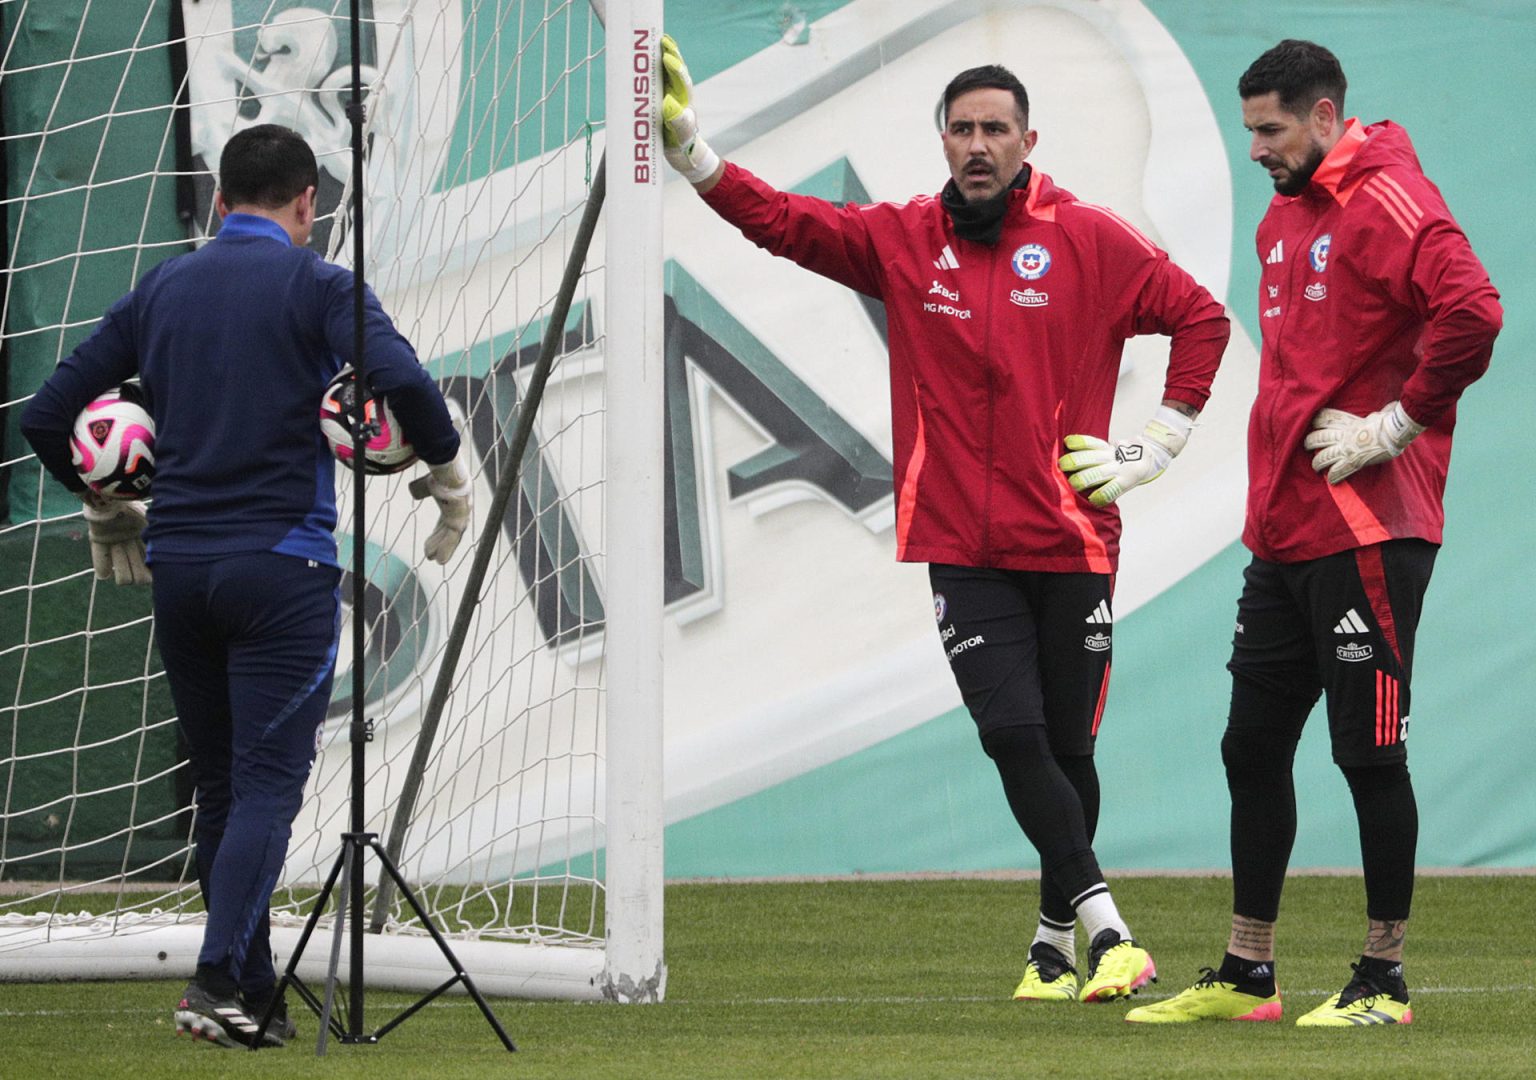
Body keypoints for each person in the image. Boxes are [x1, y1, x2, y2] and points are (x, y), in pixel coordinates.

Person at [659, 38, 1230, 1002]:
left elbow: (1202, 318)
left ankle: (1051, 948)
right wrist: (692, 152)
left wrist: (1157, 441)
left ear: (1027, 140)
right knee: (1012, 735)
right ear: (942, 141)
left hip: (1071, 536)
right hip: (961, 543)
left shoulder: (1090, 240)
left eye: (993, 129)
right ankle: (1109, 934)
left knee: (1068, 750)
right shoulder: (902, 238)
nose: (976, 144)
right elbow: (785, 224)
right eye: (961, 129)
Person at [19, 123, 473, 1048]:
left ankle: (251, 992)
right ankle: (216, 977)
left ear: (221, 200)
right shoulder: (320, 283)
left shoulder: (163, 286)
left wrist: (103, 501)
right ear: (309, 203)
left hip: (179, 568)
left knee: (222, 786)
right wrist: (451, 474)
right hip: (282, 570)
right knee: (269, 782)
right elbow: (408, 387)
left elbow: (46, 416)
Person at [1127, 40, 1502, 1028]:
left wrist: (1398, 422)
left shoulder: (1389, 196)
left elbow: (1474, 311)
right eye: (1248, 128)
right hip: (1287, 530)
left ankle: (1383, 981)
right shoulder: (1286, 216)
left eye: (1270, 129)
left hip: (1370, 527)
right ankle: (1249, 973)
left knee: (1369, 755)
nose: (1254, 148)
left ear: (1326, 116)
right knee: (1250, 747)